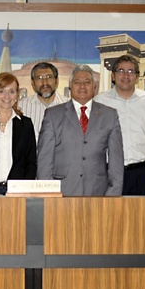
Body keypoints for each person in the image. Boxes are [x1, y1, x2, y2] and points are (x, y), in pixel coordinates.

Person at [37, 64, 123, 196]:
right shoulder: (52, 115)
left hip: (98, 194)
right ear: (70, 85)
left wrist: (111, 197)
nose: (82, 86)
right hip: (62, 194)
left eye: (87, 82)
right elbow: (44, 161)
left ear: (94, 86)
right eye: (77, 82)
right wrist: (48, 196)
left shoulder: (110, 115)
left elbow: (116, 163)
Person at [96, 54, 145, 195]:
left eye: (131, 71)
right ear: (113, 76)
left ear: (137, 77)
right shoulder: (100, 102)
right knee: (110, 215)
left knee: (141, 216)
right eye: (121, 71)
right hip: (109, 172)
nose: (126, 75)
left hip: (141, 173)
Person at [18, 62, 66, 141]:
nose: (45, 83)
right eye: (39, 78)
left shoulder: (69, 106)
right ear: (33, 83)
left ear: (56, 81)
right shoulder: (21, 107)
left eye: (49, 77)